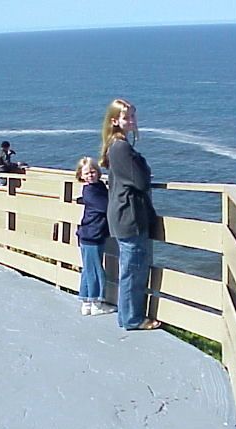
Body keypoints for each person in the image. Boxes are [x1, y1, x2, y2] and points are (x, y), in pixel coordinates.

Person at [100, 99, 160, 330]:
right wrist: (143, 165)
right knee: (133, 270)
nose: (132, 120)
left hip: (123, 214)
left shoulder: (116, 146)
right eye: (127, 117)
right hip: (129, 216)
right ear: (115, 121)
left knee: (131, 267)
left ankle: (127, 316)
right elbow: (141, 181)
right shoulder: (121, 148)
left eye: (133, 115)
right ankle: (132, 319)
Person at [75, 156, 116, 316]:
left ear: (98, 172)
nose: (90, 175)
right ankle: (97, 303)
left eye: (93, 172)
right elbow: (106, 206)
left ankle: (86, 302)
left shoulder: (98, 187)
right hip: (92, 235)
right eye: (86, 173)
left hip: (90, 234)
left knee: (88, 269)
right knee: (95, 270)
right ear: (81, 175)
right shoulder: (90, 191)